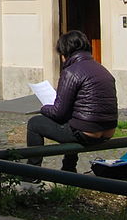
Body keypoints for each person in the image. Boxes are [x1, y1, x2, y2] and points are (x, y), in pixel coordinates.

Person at [26, 30, 118, 172]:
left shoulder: (71, 72)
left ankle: (31, 172)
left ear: (64, 53)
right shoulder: (102, 69)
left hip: (86, 133)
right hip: (108, 131)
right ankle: (69, 168)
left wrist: (44, 107)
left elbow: (58, 113)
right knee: (73, 120)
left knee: (34, 123)